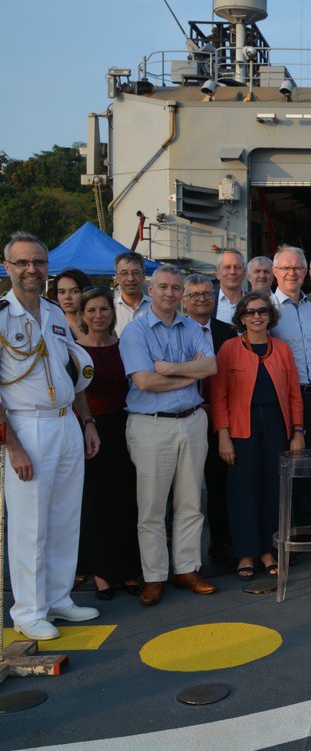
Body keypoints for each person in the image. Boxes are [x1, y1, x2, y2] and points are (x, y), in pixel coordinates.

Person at [1, 232, 100, 640]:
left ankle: (58, 597)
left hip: (65, 423)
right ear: (7, 267)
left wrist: (88, 421)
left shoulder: (55, 312)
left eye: (38, 263)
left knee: (63, 517)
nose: (31, 270)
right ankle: (28, 609)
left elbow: (72, 373)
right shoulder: (2, 316)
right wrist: (12, 444)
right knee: (30, 525)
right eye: (22, 263)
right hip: (27, 426)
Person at [121, 265, 218, 606]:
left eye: (176, 288)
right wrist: (189, 376)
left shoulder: (192, 326)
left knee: (191, 502)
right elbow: (145, 381)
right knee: (151, 507)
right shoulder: (135, 333)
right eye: (163, 287)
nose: (169, 294)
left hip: (191, 421)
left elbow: (210, 367)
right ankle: (154, 576)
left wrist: (171, 369)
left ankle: (187, 568)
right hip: (151, 424)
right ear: (151, 289)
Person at [211, 294, 305, 579]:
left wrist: (298, 431)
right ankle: (246, 553)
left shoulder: (283, 350)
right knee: (242, 490)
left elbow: (293, 394)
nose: (256, 317)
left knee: (273, 488)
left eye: (262, 311)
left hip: (276, 424)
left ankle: (268, 550)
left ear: (269, 316)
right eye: (250, 312)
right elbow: (218, 396)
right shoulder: (229, 349)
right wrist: (223, 437)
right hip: (241, 427)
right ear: (241, 317)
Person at [75, 287, 141, 600]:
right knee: (97, 502)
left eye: (103, 309)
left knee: (127, 499)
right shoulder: (74, 350)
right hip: (90, 430)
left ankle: (128, 569)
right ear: (83, 316)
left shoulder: (124, 345)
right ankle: (102, 573)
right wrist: (89, 425)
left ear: (111, 313)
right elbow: (75, 393)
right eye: (92, 311)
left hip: (125, 425)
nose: (98, 315)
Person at [270, 246, 311, 528]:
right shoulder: (267, 310)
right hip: (281, 401)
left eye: (297, 268)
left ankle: (308, 528)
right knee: (283, 467)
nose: (291, 273)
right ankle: (286, 529)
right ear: (275, 272)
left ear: (305, 272)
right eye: (285, 268)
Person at [181, 272, 238, 563]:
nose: (201, 299)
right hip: (185, 415)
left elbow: (231, 379)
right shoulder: (174, 329)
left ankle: (221, 543)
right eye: (194, 295)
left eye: (206, 294)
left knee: (218, 485)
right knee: (186, 489)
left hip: (217, 418)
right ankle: (185, 557)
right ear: (184, 300)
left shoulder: (227, 332)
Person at [113, 250, 151, 336]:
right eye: (124, 273)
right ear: (117, 278)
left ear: (143, 276)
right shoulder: (109, 309)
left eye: (135, 273)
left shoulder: (156, 308)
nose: (130, 278)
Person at [54, 267, 93, 340]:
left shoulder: (99, 325)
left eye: (75, 291)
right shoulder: (53, 327)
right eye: (62, 292)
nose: (67, 297)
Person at [214, 248, 247, 323]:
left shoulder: (254, 302)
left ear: (244, 273)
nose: (232, 272)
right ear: (218, 274)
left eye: (237, 267)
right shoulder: (208, 302)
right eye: (227, 267)